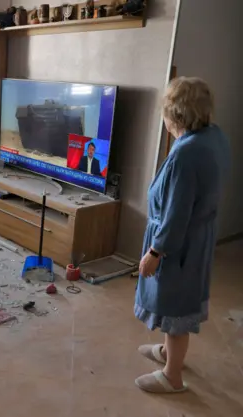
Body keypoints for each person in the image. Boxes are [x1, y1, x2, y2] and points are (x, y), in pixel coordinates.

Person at [134, 77, 230, 393]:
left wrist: (155, 253)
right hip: (197, 238)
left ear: (175, 116)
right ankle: (167, 353)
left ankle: (172, 376)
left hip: (179, 246)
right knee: (172, 302)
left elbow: (176, 215)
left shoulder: (185, 154)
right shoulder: (212, 136)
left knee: (176, 308)